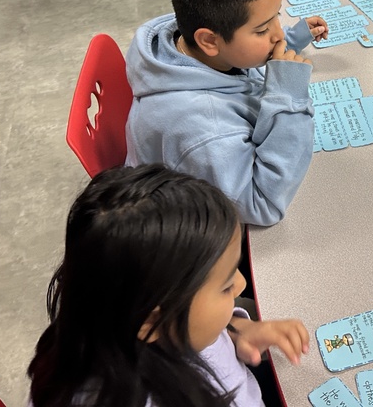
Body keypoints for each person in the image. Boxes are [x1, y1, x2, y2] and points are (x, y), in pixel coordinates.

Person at [28, 165, 310, 407]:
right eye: (225, 287)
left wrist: (238, 332)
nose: (242, 283)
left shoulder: (118, 313)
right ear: (151, 321)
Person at [124, 0, 328, 227]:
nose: (278, 34)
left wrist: (290, 41)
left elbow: (243, 57)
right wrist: (289, 97)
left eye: (276, 17)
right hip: (192, 241)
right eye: (261, 30)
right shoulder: (204, 130)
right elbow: (262, 204)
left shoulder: (190, 41)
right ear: (209, 40)